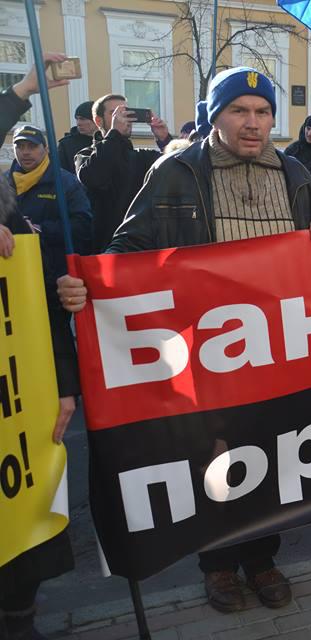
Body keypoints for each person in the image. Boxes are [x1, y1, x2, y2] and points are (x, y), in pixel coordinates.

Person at [57, 66, 311, 614]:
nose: (253, 123)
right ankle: (218, 566)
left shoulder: (298, 173)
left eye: (262, 113)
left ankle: (262, 558)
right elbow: (130, 244)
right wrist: (87, 284)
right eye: (239, 111)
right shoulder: (177, 172)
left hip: (279, 350)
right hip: (205, 353)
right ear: (216, 114)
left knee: (273, 457)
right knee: (215, 462)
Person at [0, 51, 78, 640]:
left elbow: (44, 310)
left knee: (23, 523)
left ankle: (20, 617)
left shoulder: (21, 218)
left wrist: (65, 386)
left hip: (22, 399)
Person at [76, 92, 174, 251]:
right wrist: (114, 133)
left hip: (141, 246)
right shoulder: (85, 156)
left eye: (126, 112)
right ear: (98, 120)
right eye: (114, 113)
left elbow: (176, 168)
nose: (123, 117)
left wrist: (165, 140)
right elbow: (94, 177)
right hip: (105, 248)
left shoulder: (140, 156)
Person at [7, 125, 93, 275]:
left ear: (46, 149)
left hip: (53, 274)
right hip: (12, 269)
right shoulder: (3, 182)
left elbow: (82, 226)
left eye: (32, 146)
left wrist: (39, 229)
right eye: (20, 147)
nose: (26, 152)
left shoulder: (66, 183)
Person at [56, 100, 95, 175]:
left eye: (83, 119)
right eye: (77, 119)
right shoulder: (66, 144)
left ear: (96, 119)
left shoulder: (107, 140)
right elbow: (61, 172)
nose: (78, 123)